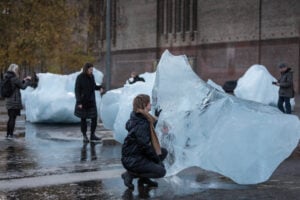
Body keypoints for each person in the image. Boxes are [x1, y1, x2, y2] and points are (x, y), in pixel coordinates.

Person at [121, 94, 167, 190]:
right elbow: (145, 146)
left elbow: (147, 131)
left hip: (135, 154)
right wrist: (157, 161)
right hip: (133, 159)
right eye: (149, 103)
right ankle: (130, 174)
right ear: (144, 105)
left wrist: (156, 118)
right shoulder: (142, 123)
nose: (150, 104)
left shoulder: (139, 117)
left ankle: (144, 179)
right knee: (161, 171)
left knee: (163, 152)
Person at [74, 63, 104, 143]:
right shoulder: (80, 77)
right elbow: (77, 90)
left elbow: (93, 86)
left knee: (94, 118)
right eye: (90, 70)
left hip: (91, 101)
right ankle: (84, 136)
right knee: (83, 119)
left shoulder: (91, 76)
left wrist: (100, 87)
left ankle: (92, 135)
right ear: (86, 69)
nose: (91, 71)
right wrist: (79, 102)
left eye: (92, 70)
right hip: (83, 102)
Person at [4, 63, 31, 138]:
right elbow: (23, 87)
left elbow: (17, 85)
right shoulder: (14, 78)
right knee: (13, 118)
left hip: (9, 100)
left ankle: (8, 134)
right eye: (17, 70)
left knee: (10, 118)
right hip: (14, 101)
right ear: (14, 70)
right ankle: (11, 135)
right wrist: (28, 80)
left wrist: (23, 80)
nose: (17, 71)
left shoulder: (7, 77)